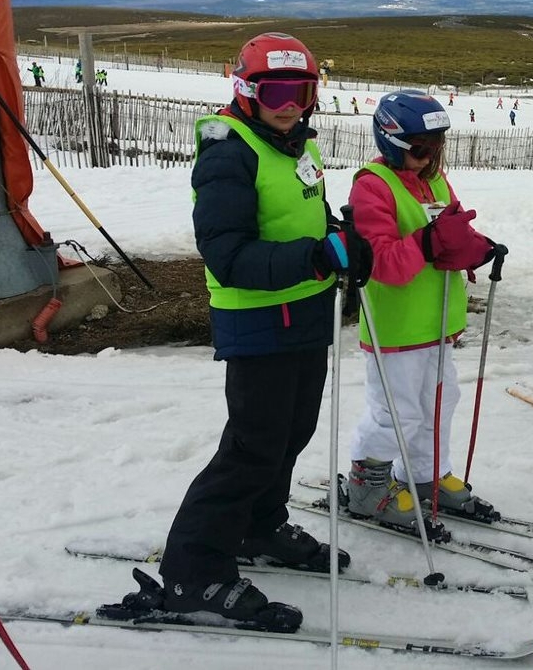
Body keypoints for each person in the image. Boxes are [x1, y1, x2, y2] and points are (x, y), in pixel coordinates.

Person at [157, 32, 372, 623]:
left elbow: (304, 214)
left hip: (305, 313)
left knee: (292, 434)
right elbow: (226, 254)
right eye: (275, 90)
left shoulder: (298, 143)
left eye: (300, 90)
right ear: (246, 90)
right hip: (257, 321)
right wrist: (316, 255)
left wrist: (342, 239)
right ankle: (193, 571)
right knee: (251, 449)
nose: (288, 102)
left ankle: (257, 526)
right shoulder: (230, 152)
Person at [345, 90, 498, 532]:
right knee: (397, 413)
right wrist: (429, 243)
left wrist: (477, 248)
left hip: (437, 322)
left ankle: (425, 475)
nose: (430, 156)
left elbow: (452, 230)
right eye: (420, 148)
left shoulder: (434, 180)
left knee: (440, 402)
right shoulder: (372, 185)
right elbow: (381, 263)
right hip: (396, 329)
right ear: (391, 141)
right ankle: (368, 484)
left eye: (437, 146)